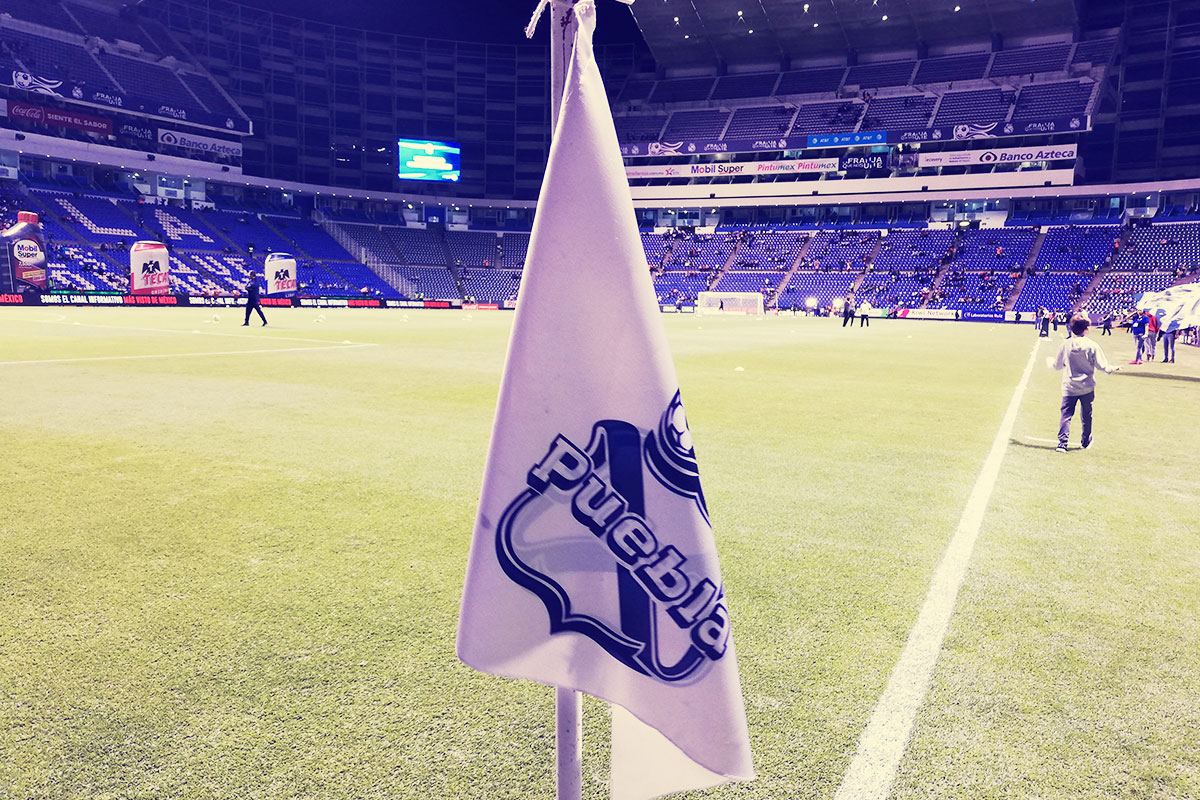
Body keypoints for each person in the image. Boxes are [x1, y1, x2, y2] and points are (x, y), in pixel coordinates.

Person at [1049, 314, 1119, 453]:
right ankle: (1085, 441)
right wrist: (1112, 368)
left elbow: (1057, 365)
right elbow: (1102, 365)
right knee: (1087, 415)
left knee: (1066, 415)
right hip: (1087, 387)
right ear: (1086, 329)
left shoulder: (1066, 345)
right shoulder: (1092, 345)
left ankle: (1062, 443)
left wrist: (1050, 363)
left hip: (1069, 387)